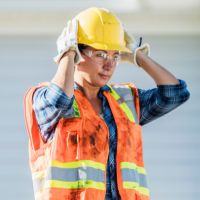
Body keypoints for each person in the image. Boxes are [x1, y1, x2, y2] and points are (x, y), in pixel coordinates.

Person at [24, 7, 190, 200]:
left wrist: (139, 56)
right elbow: (60, 98)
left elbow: (176, 93)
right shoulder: (43, 99)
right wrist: (67, 55)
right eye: (100, 55)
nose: (109, 65)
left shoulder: (124, 101)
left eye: (115, 56)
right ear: (78, 52)